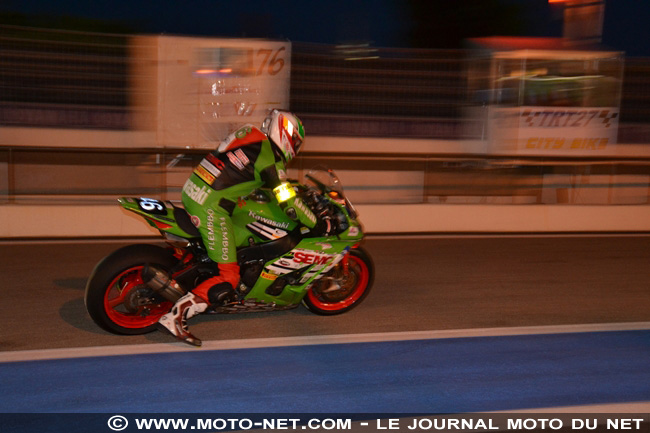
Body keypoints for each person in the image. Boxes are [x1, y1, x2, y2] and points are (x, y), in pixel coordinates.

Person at [157, 110, 318, 346]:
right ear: (286, 135)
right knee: (229, 276)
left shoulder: (250, 133)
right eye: (294, 142)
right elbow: (288, 202)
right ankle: (176, 316)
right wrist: (315, 221)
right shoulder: (269, 159)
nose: (294, 148)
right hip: (210, 206)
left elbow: (241, 173)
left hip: (194, 190)